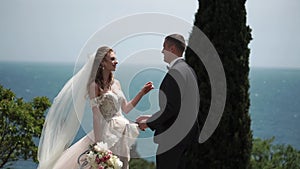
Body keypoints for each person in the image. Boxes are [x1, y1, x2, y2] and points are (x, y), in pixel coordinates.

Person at [37, 46, 154, 169]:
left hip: (121, 130)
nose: (116, 61)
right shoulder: (94, 86)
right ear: (103, 62)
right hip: (106, 133)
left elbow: (126, 108)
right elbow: (96, 115)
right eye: (113, 59)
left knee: (123, 164)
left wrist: (142, 92)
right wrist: (99, 145)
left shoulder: (116, 83)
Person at [136, 34, 200, 169]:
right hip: (187, 138)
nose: (161, 51)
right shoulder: (189, 70)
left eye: (163, 47)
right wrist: (151, 117)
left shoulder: (175, 72)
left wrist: (148, 123)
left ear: (172, 49)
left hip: (173, 139)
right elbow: (182, 107)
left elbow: (170, 109)